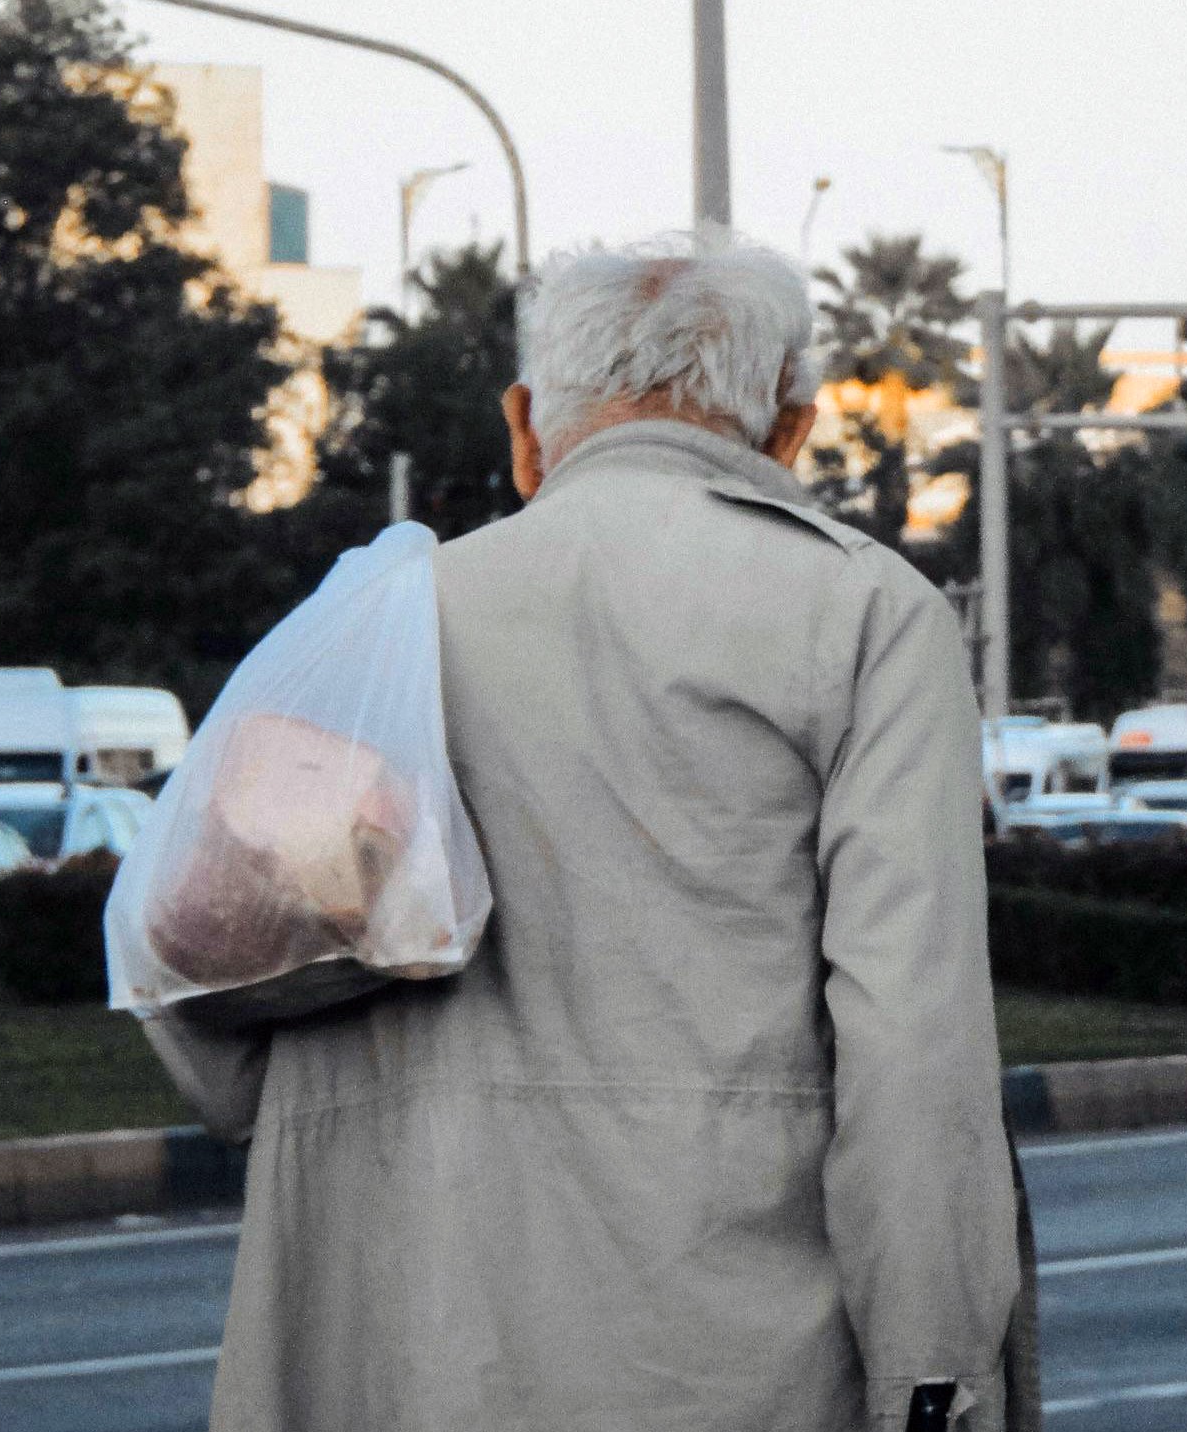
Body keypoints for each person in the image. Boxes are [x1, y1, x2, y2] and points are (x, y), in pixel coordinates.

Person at [150, 233, 1029, 1432]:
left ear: (525, 428)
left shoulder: (366, 636)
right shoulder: (863, 615)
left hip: (391, 1355)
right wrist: (935, 1379)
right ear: (788, 432)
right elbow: (910, 1040)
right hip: (726, 1367)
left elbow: (208, 1035)